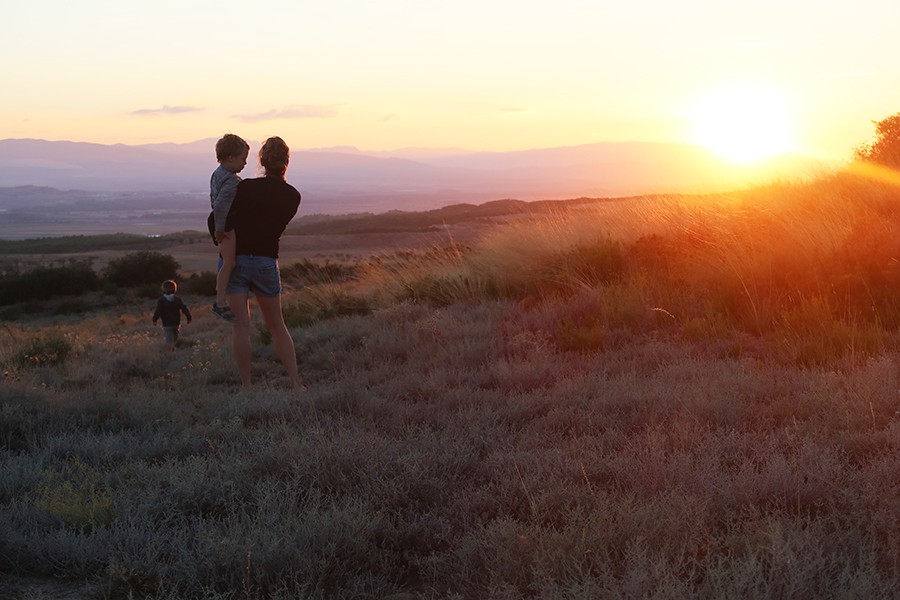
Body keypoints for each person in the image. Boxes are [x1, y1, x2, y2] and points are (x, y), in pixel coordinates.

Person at [224, 136, 302, 390]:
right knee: (277, 325)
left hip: (236, 261)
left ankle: (247, 386)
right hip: (267, 261)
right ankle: (295, 383)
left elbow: (223, 218)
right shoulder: (292, 196)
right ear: (286, 163)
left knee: (240, 326)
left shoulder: (245, 188)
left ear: (261, 161)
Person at [208, 133, 250, 322]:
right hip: (226, 225)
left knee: (226, 261)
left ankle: (220, 297)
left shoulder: (217, 173)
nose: (245, 164)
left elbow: (213, 201)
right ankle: (220, 302)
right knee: (229, 262)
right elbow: (220, 205)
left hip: (220, 222)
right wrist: (220, 228)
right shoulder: (232, 181)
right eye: (243, 159)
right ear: (231, 157)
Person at [152, 280, 192, 352]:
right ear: (174, 289)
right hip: (176, 323)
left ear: (163, 289)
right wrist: (188, 317)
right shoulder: (177, 299)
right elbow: (184, 308)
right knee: (175, 338)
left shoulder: (161, 300)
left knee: (169, 340)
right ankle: (174, 351)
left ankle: (171, 353)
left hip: (167, 324)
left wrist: (154, 319)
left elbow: (158, 311)